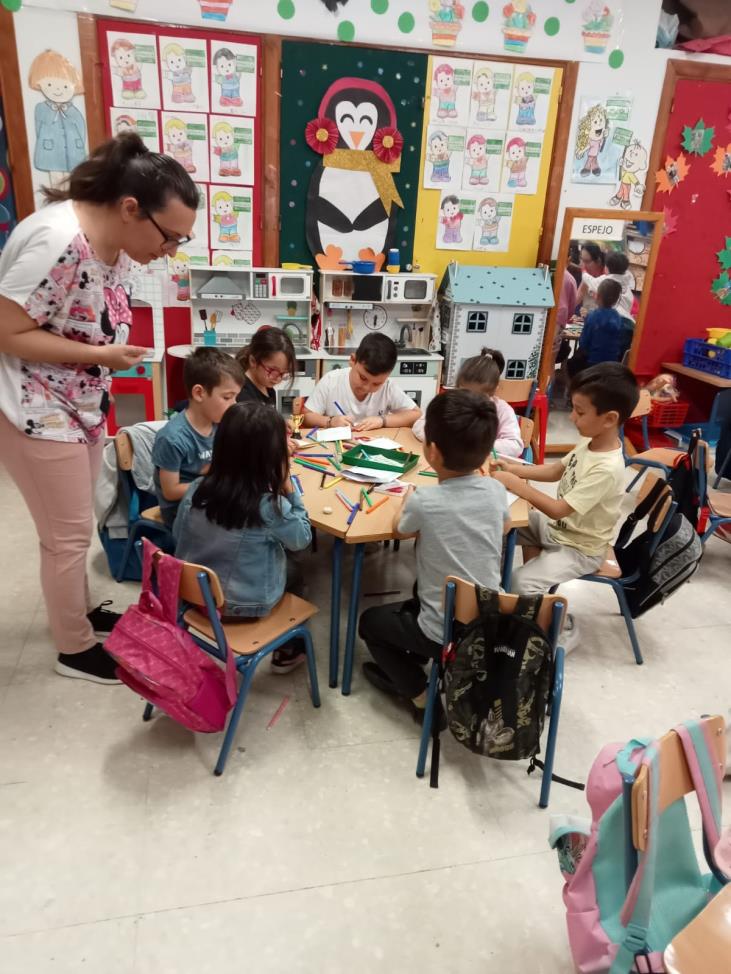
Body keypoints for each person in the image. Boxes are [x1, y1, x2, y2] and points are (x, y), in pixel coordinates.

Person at [0, 132, 199, 683]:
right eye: (169, 237)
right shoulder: (58, 240)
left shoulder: (117, 244)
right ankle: (74, 649)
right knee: (63, 538)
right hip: (36, 411)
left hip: (80, 405)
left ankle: (81, 614)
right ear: (130, 208)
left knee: (75, 527)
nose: (171, 251)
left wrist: (105, 356)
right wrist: (100, 354)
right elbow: (6, 329)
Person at [358, 389, 511, 723]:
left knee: (369, 623)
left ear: (432, 451)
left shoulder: (425, 501)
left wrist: (406, 501)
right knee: (419, 591)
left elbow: (400, 529)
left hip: (443, 632)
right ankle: (417, 660)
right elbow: (504, 526)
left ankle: (420, 696)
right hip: (489, 623)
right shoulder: (496, 490)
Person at [493, 364, 639, 636]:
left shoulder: (606, 468)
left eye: (580, 412)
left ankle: (551, 632)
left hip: (580, 548)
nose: (571, 417)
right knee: (498, 523)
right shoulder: (590, 441)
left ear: (609, 419)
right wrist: (514, 469)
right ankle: (500, 599)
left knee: (521, 581)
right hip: (558, 530)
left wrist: (517, 485)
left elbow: (558, 510)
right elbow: (554, 471)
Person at [174, 402, 312, 674]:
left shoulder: (196, 488)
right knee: (297, 569)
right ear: (273, 457)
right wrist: (288, 488)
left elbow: (178, 534)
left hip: (193, 597)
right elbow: (302, 539)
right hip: (242, 606)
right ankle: (289, 650)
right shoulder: (269, 505)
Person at [153, 347, 243, 529]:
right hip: (181, 510)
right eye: (227, 397)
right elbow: (170, 492)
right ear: (199, 393)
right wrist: (216, 484)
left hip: (210, 496)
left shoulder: (219, 423)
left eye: (236, 397)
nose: (234, 405)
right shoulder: (172, 438)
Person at [412, 348, 523, 457]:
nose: (470, 400)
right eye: (464, 393)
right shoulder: (450, 402)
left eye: (479, 397)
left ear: (493, 392)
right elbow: (419, 425)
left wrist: (475, 445)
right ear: (457, 387)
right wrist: (444, 439)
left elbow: (515, 446)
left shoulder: (502, 410)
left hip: (483, 464)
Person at [304, 333, 421, 432]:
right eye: (363, 378)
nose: (367, 387)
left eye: (377, 384)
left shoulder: (388, 386)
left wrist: (382, 420)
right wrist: (330, 421)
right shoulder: (331, 381)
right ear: (353, 360)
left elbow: (416, 414)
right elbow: (306, 416)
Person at [568, 279, 624, 377]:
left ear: (598, 296)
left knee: (570, 364)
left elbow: (583, 343)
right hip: (611, 364)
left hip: (592, 363)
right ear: (616, 300)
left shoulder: (592, 316)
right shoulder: (618, 317)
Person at [236, 326, 296, 408]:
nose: (278, 379)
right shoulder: (242, 397)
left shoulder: (269, 389)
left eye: (283, 373)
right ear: (253, 361)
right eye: (273, 370)